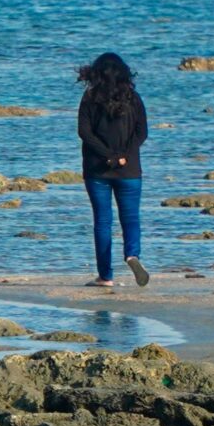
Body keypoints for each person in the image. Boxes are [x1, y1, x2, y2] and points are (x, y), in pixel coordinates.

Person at [77, 51, 149, 288]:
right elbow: (141, 133)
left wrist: (108, 156)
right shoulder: (133, 98)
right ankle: (132, 255)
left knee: (103, 221)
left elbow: (85, 133)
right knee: (130, 218)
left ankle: (106, 276)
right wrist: (122, 157)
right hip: (129, 170)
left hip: (97, 170)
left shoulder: (89, 98)